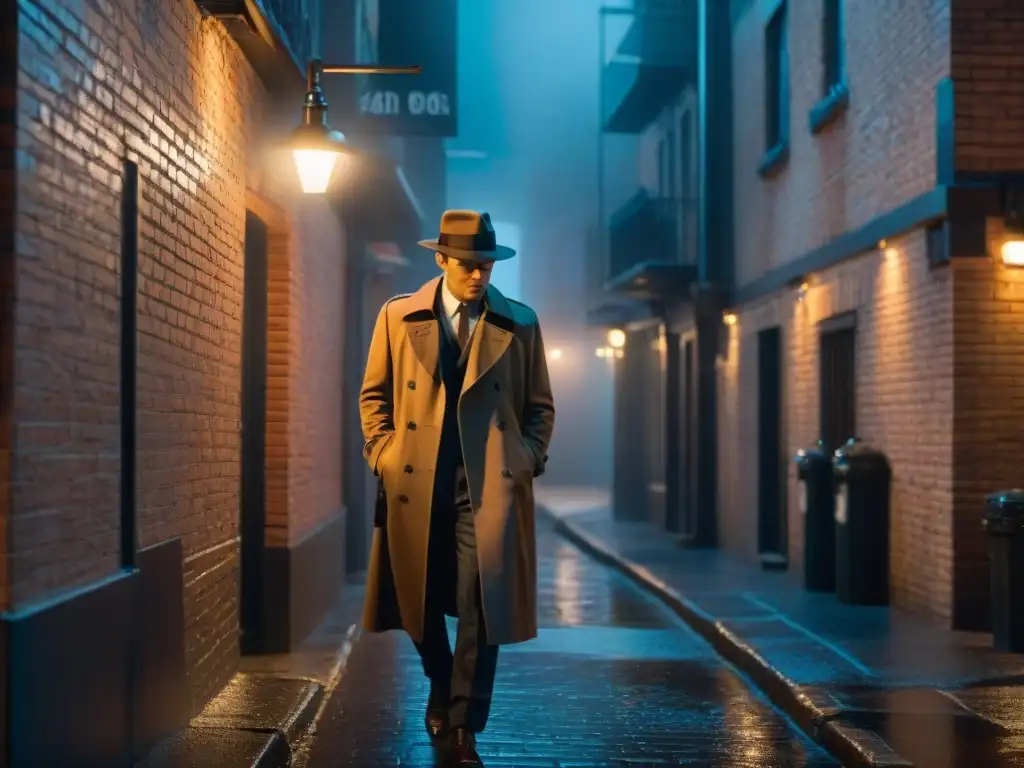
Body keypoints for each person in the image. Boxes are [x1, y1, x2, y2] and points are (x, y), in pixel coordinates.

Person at [358, 209, 556, 766]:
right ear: (441, 259)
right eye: (468, 264)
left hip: (489, 483)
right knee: (416, 597)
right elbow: (374, 397)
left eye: (487, 265)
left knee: (482, 601)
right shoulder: (399, 317)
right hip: (416, 480)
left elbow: (540, 406)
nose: (478, 275)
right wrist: (383, 453)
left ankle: (465, 722)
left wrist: (527, 458)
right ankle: (440, 681)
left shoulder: (519, 322)